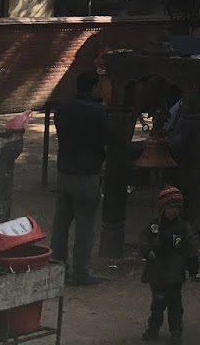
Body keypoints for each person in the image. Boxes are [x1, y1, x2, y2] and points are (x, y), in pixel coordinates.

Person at [53, 68, 114, 286]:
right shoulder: (98, 112)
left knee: (61, 222)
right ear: (94, 87)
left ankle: (57, 266)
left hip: (64, 171)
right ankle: (80, 272)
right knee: (85, 226)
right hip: (87, 174)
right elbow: (110, 137)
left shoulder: (63, 108)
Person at [141, 185, 200, 342]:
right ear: (163, 209)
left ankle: (175, 331)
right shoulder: (154, 226)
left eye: (177, 208)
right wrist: (147, 251)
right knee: (157, 304)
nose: (175, 211)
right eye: (171, 207)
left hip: (174, 274)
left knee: (175, 304)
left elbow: (191, 248)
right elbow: (143, 241)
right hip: (157, 272)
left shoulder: (183, 227)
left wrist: (193, 267)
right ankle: (153, 328)